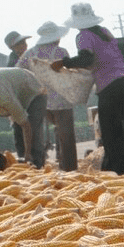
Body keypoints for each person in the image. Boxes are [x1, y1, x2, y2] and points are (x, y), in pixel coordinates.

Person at [53, 2, 124, 175]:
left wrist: (64, 63)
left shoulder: (83, 36)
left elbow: (86, 59)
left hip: (109, 85)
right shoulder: (104, 31)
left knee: (110, 132)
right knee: (117, 129)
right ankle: (113, 167)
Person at [19, 21, 77, 171]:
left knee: (37, 135)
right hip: (62, 101)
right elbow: (69, 71)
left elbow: (19, 71)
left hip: (40, 100)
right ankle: (69, 168)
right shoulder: (61, 52)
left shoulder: (29, 53)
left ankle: (37, 166)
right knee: (66, 136)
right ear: (56, 38)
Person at [3, 31, 31, 157]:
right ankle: (23, 156)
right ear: (12, 47)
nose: (24, 45)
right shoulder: (13, 62)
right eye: (20, 44)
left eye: (24, 42)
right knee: (20, 129)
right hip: (18, 100)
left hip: (29, 97)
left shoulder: (26, 56)